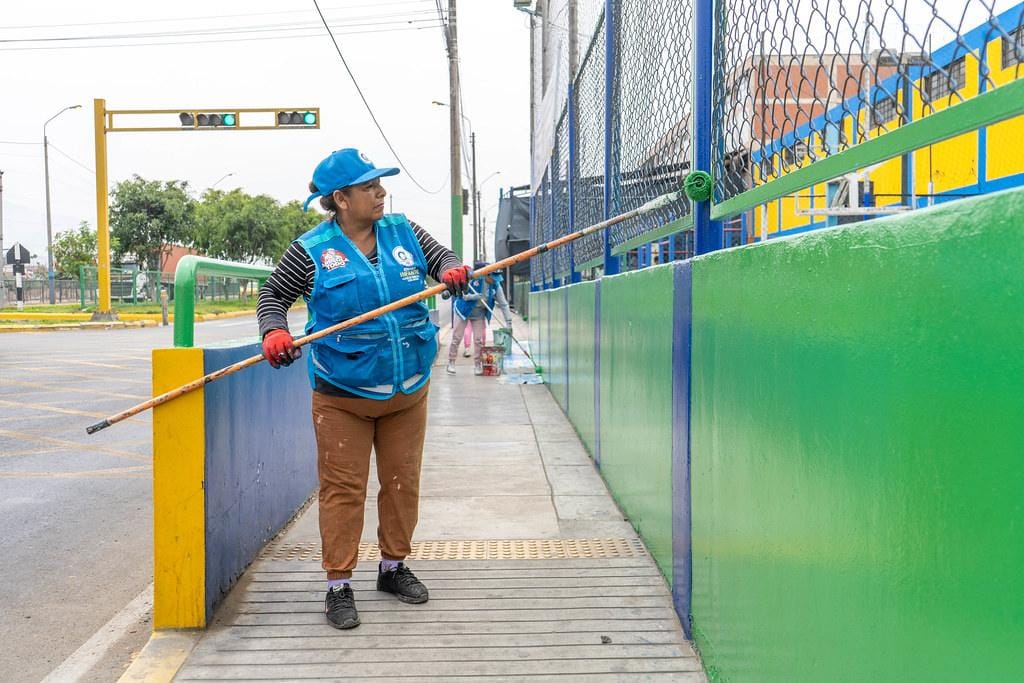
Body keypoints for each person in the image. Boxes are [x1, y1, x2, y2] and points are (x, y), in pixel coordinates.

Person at [256, 148, 470, 630]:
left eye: (380, 184)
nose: (380, 192)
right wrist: (274, 331)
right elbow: (273, 296)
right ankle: (338, 585)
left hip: (408, 389)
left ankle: (393, 568)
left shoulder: (404, 231)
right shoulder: (310, 251)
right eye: (369, 186)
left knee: (401, 483)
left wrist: (454, 270)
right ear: (341, 199)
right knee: (342, 490)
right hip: (342, 397)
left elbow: (442, 259)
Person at [446, 261, 513, 375]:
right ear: (487, 274)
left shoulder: (496, 286)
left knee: (479, 340)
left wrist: (508, 321)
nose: (495, 280)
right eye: (493, 277)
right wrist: (473, 296)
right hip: (463, 310)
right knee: (457, 337)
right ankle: (451, 362)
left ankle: (478, 364)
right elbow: (461, 294)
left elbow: (504, 304)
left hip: (479, 314)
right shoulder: (474, 278)